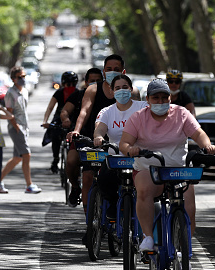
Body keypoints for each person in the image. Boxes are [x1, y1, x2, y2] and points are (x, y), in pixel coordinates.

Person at [118, 79, 215, 252]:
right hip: (149, 169)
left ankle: (184, 250)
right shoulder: (138, 117)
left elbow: (199, 133)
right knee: (144, 191)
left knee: (189, 207)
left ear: (170, 98)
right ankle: (148, 237)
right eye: (156, 98)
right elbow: (124, 143)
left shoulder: (182, 113)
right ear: (147, 100)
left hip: (178, 169)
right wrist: (131, 150)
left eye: (165, 97)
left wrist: (206, 145)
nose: (161, 101)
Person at [67, 54, 125, 212]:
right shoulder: (93, 89)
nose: (112, 72)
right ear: (104, 71)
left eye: (116, 69)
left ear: (123, 72)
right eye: (109, 69)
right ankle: (90, 224)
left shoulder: (129, 92)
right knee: (87, 177)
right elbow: (84, 112)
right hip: (95, 142)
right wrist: (76, 130)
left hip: (122, 144)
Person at [93, 74, 148, 218]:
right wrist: (98, 137)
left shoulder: (143, 107)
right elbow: (99, 129)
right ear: (111, 91)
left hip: (140, 158)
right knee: (103, 179)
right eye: (117, 88)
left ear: (131, 89)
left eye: (125, 87)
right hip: (115, 159)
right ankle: (113, 204)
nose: (121, 91)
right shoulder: (107, 112)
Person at [59, 68, 103, 206]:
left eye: (98, 81)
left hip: (104, 141)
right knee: (71, 162)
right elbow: (65, 110)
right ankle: (75, 187)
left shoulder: (110, 95)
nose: (95, 83)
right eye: (92, 81)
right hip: (81, 139)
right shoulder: (78, 95)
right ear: (86, 82)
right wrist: (65, 119)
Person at [0, 66, 42, 194]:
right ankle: (29, 185)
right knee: (26, 155)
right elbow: (9, 113)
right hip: (16, 128)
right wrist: (16, 126)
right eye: (20, 77)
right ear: (13, 79)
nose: (23, 79)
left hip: (24, 127)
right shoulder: (10, 93)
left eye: (24, 76)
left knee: (17, 158)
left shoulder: (24, 91)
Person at [41, 71, 78, 173]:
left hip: (74, 119)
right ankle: (56, 159)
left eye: (72, 84)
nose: (70, 86)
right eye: (68, 84)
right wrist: (45, 121)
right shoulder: (59, 93)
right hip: (58, 118)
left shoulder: (78, 93)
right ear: (63, 83)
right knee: (55, 134)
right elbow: (50, 108)